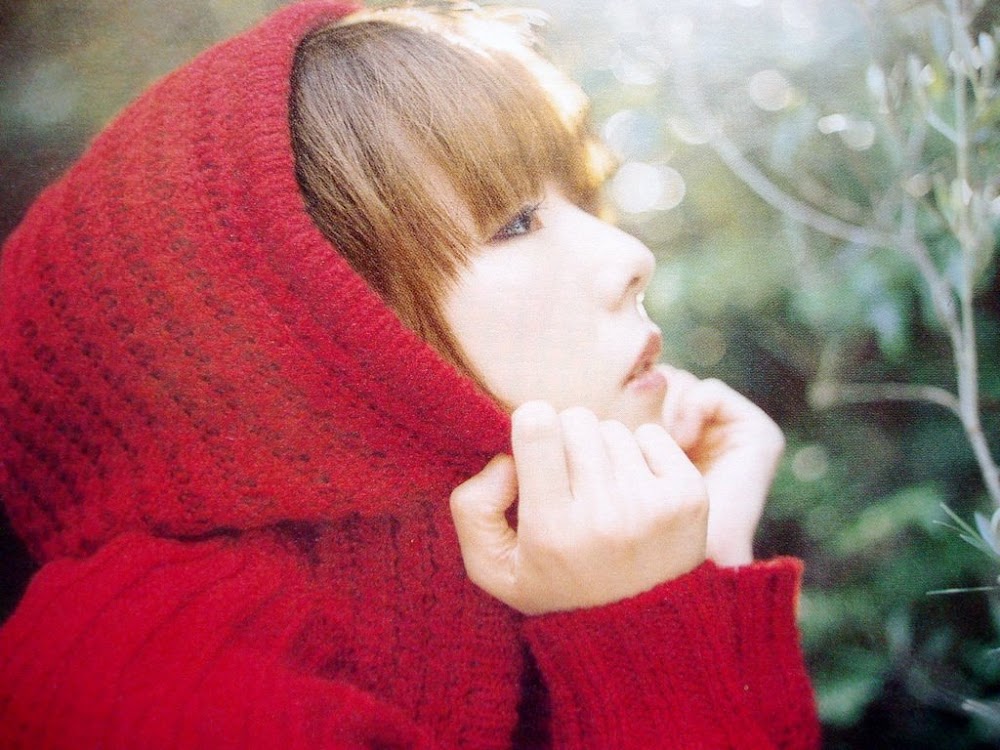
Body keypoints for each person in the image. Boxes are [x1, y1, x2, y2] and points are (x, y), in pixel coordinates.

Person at [0, 1, 819, 747]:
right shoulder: (163, 687)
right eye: (515, 223)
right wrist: (642, 634)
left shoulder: (541, 555)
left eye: (583, 194)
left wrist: (700, 567)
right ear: (313, 331)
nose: (630, 255)